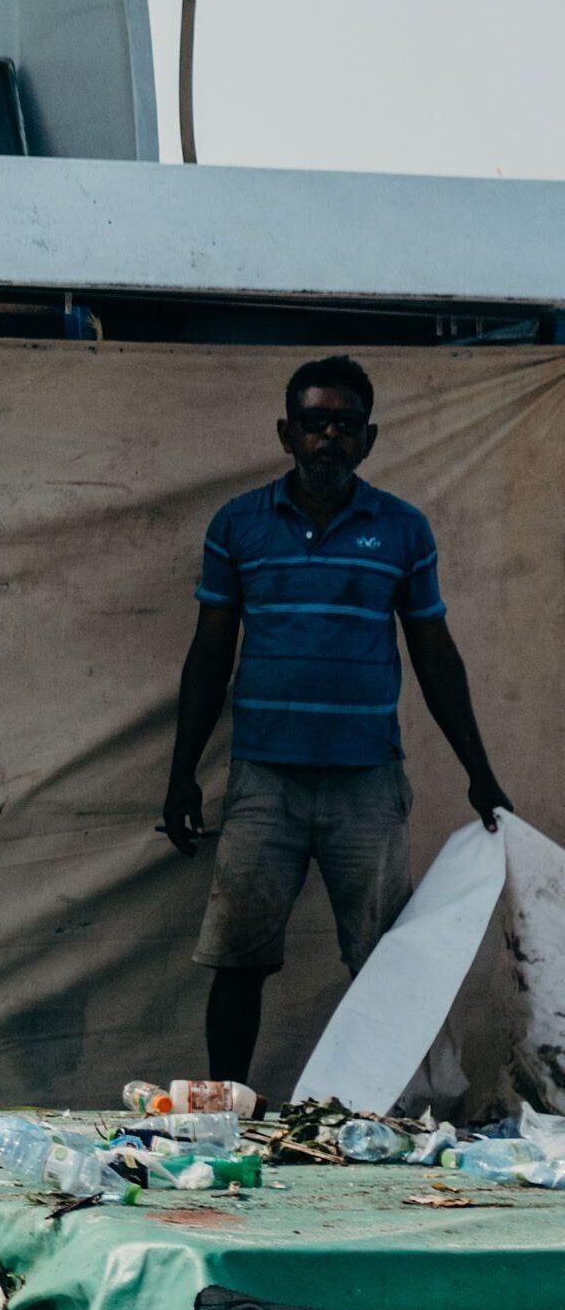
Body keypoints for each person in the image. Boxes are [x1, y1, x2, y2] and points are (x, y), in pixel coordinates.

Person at [160, 354, 512, 1086]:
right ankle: (226, 1114)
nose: (328, 436)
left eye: (344, 425)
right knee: (237, 960)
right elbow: (206, 656)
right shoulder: (238, 526)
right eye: (313, 422)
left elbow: (434, 658)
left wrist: (480, 773)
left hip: (366, 787)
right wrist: (180, 775)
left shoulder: (401, 531)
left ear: (368, 439)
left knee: (387, 964)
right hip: (263, 781)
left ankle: (401, 1123)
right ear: (285, 433)